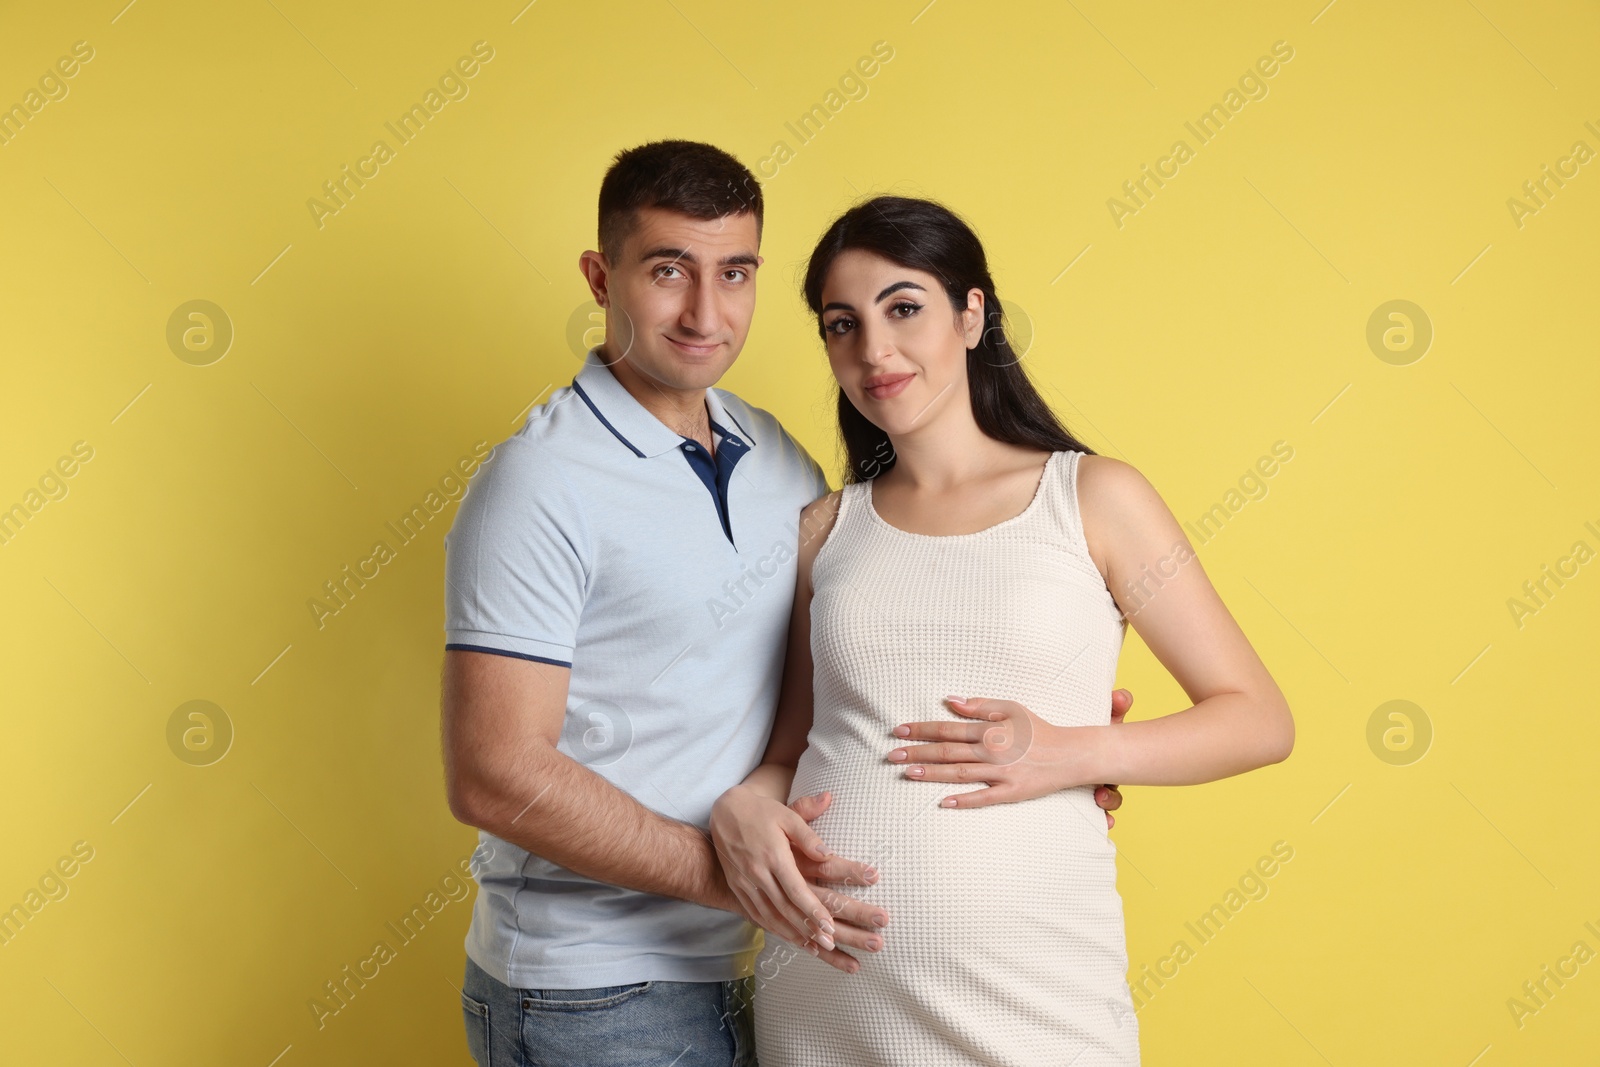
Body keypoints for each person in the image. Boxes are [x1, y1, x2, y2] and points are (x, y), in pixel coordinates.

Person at [439, 142, 1129, 1067]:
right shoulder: (541, 480)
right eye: (668, 270)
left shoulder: (777, 461)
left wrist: (1068, 742)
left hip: (757, 973)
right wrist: (752, 881)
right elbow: (495, 774)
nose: (705, 312)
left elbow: (845, 666)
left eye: (735, 273)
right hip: (592, 987)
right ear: (601, 278)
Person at [709, 195, 1296, 1066]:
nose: (874, 351)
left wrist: (1074, 751)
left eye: (904, 307)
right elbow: (795, 746)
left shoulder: (1092, 497)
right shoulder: (825, 529)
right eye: (842, 325)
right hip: (824, 1001)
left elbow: (1257, 717)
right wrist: (741, 809)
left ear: (973, 312)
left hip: (1033, 1001)